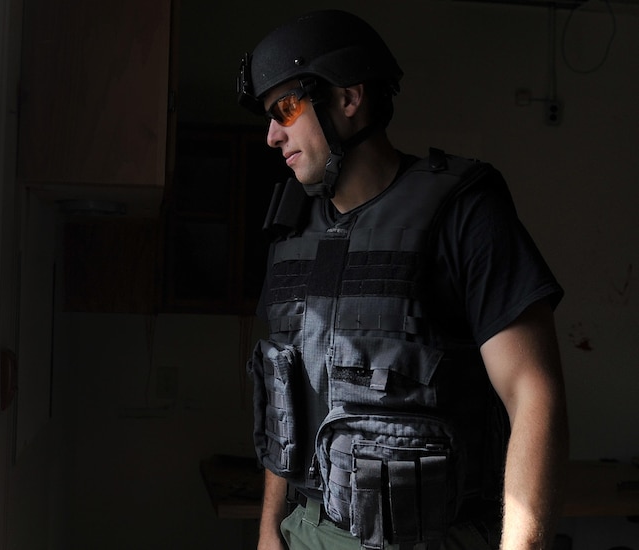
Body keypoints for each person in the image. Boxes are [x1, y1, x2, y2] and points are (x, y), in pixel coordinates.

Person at [238, 9, 569, 550]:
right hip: (305, 532)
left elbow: (534, 392)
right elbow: (287, 392)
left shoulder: (464, 213)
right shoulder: (292, 230)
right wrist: (269, 531)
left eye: (287, 107)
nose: (273, 135)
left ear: (348, 98)